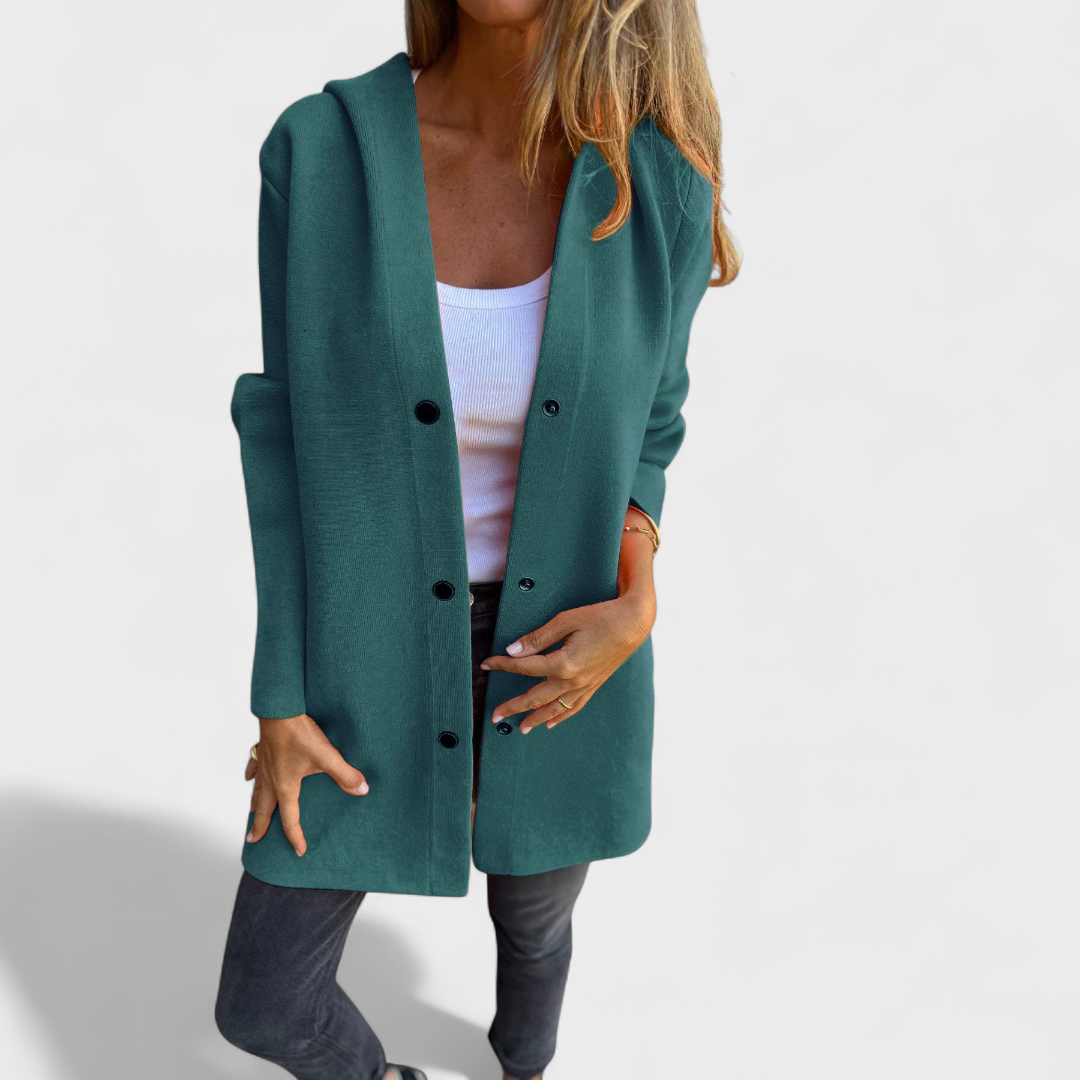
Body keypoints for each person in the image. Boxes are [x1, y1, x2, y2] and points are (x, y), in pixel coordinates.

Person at [215, 2, 739, 1078]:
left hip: (562, 653)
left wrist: (637, 600)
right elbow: (282, 437)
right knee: (264, 1003)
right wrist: (278, 693)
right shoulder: (320, 154)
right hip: (361, 646)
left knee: (537, 921)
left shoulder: (659, 187)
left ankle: (523, 1061)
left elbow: (655, 419)